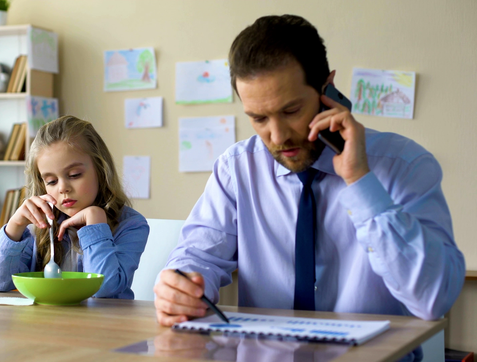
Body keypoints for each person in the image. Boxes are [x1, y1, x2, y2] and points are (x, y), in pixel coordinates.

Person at [154, 14, 464, 359]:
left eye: (291, 110)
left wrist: (360, 181)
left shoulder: (405, 166)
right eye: (258, 118)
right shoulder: (236, 169)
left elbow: (433, 299)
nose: (277, 136)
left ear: (327, 89)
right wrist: (179, 284)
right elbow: (197, 257)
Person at [0, 115, 149, 299]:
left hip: (102, 325)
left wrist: (95, 223)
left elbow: (105, 289)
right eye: (51, 181)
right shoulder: (38, 225)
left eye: (75, 174)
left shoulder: (131, 225)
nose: (62, 188)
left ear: (101, 170)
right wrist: (14, 227)